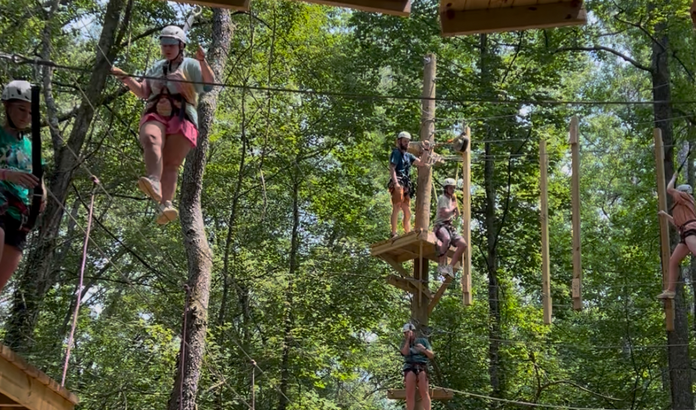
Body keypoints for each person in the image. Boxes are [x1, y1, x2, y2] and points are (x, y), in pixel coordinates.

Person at [111, 25, 214, 225]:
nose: (167, 48)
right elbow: (143, 92)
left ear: (181, 45)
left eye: (172, 44)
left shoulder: (190, 65)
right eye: (164, 44)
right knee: (150, 138)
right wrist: (124, 77)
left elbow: (209, 85)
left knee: (172, 164)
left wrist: (203, 62)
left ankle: (166, 204)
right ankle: (154, 181)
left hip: (182, 115)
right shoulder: (157, 67)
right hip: (156, 112)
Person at [0, 80, 46, 292]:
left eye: (30, 113)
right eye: (20, 109)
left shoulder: (29, 146)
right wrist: (7, 174)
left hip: (19, 217)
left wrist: (41, 193)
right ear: (7, 106)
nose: (25, 117)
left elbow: (38, 176)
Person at [658, 172, 696, 299]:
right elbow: (676, 223)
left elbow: (669, 189)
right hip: (685, 232)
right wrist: (664, 214)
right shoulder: (681, 206)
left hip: (691, 229)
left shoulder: (684, 197)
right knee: (673, 260)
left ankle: (670, 289)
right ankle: (670, 290)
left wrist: (673, 177)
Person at [389, 131, 431, 238]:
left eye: (408, 142)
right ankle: (393, 233)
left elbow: (421, 163)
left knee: (407, 211)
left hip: (406, 184)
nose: (406, 144)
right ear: (399, 141)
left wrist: (426, 150)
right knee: (397, 207)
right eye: (404, 141)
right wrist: (395, 183)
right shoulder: (396, 153)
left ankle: (407, 233)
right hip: (398, 181)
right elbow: (392, 168)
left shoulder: (409, 156)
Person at [434, 178, 467, 280]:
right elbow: (445, 213)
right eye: (451, 188)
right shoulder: (443, 198)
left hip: (449, 226)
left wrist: (455, 204)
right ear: (446, 188)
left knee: (463, 245)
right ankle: (441, 265)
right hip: (440, 226)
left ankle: (450, 267)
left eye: (454, 188)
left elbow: (457, 215)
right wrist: (453, 207)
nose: (452, 190)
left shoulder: (451, 200)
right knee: (447, 239)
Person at [400, 323, 434, 410]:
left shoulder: (423, 341)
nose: (408, 334)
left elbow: (431, 355)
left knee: (424, 392)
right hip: (409, 367)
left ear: (414, 332)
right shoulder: (404, 343)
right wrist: (408, 340)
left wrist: (423, 349)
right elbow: (405, 352)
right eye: (406, 333)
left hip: (421, 366)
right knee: (409, 394)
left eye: (409, 332)